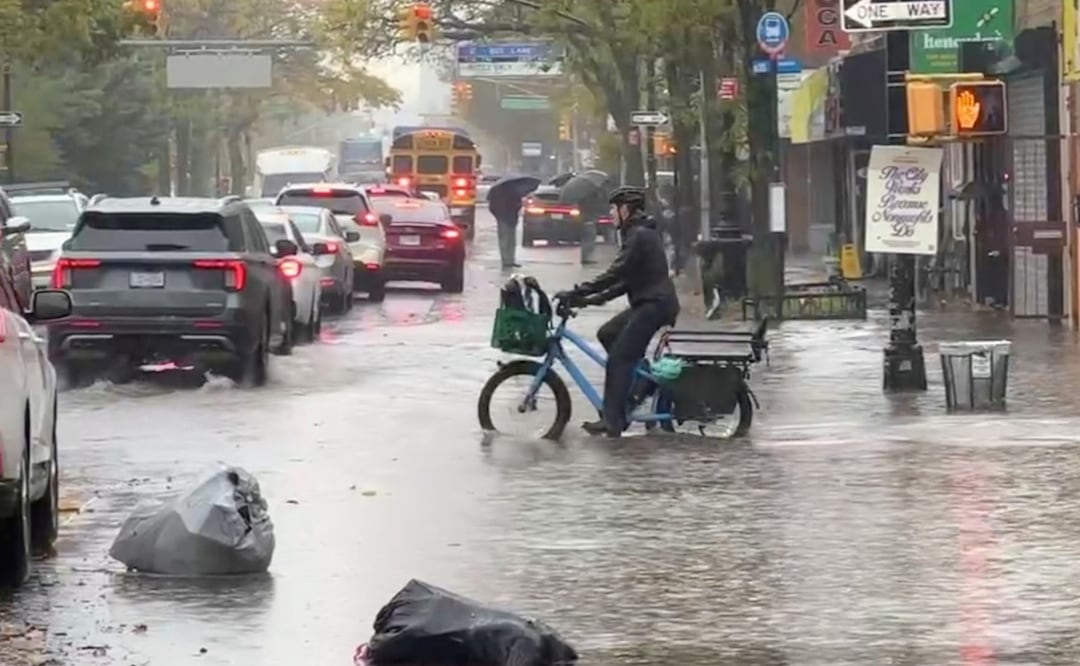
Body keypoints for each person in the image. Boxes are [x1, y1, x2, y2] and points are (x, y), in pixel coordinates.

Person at [556, 186, 680, 437]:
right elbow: (624, 283)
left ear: (626, 210)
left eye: (613, 209)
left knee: (619, 359)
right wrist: (588, 300)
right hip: (648, 302)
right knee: (608, 333)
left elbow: (616, 273)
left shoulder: (639, 235)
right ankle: (641, 382)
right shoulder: (635, 233)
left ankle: (613, 420)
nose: (611, 214)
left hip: (655, 305)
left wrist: (579, 291)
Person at [489, 190, 522, 269]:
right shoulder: (497, 195)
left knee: (510, 240)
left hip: (510, 220)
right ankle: (506, 260)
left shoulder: (515, 194)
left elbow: (518, 206)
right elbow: (492, 208)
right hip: (505, 219)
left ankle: (509, 260)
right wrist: (499, 216)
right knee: (506, 240)